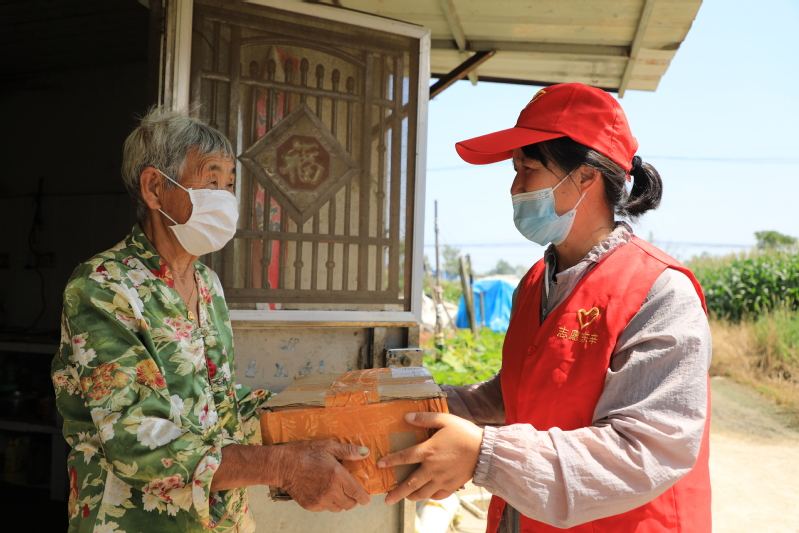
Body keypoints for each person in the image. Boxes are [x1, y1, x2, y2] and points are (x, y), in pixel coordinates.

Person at [377, 83, 712, 532]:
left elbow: (645, 450)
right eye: (514, 170)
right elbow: (519, 394)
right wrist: (427, 405)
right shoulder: (536, 282)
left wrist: (484, 454)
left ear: (586, 177)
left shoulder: (660, 292)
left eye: (529, 169)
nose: (515, 187)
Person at [51, 108, 372, 533]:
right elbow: (134, 438)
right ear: (154, 188)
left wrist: (326, 417)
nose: (224, 198)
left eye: (229, 184)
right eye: (211, 181)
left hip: (221, 520)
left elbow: (219, 402)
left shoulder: (207, 283)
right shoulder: (103, 287)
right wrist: (282, 465)